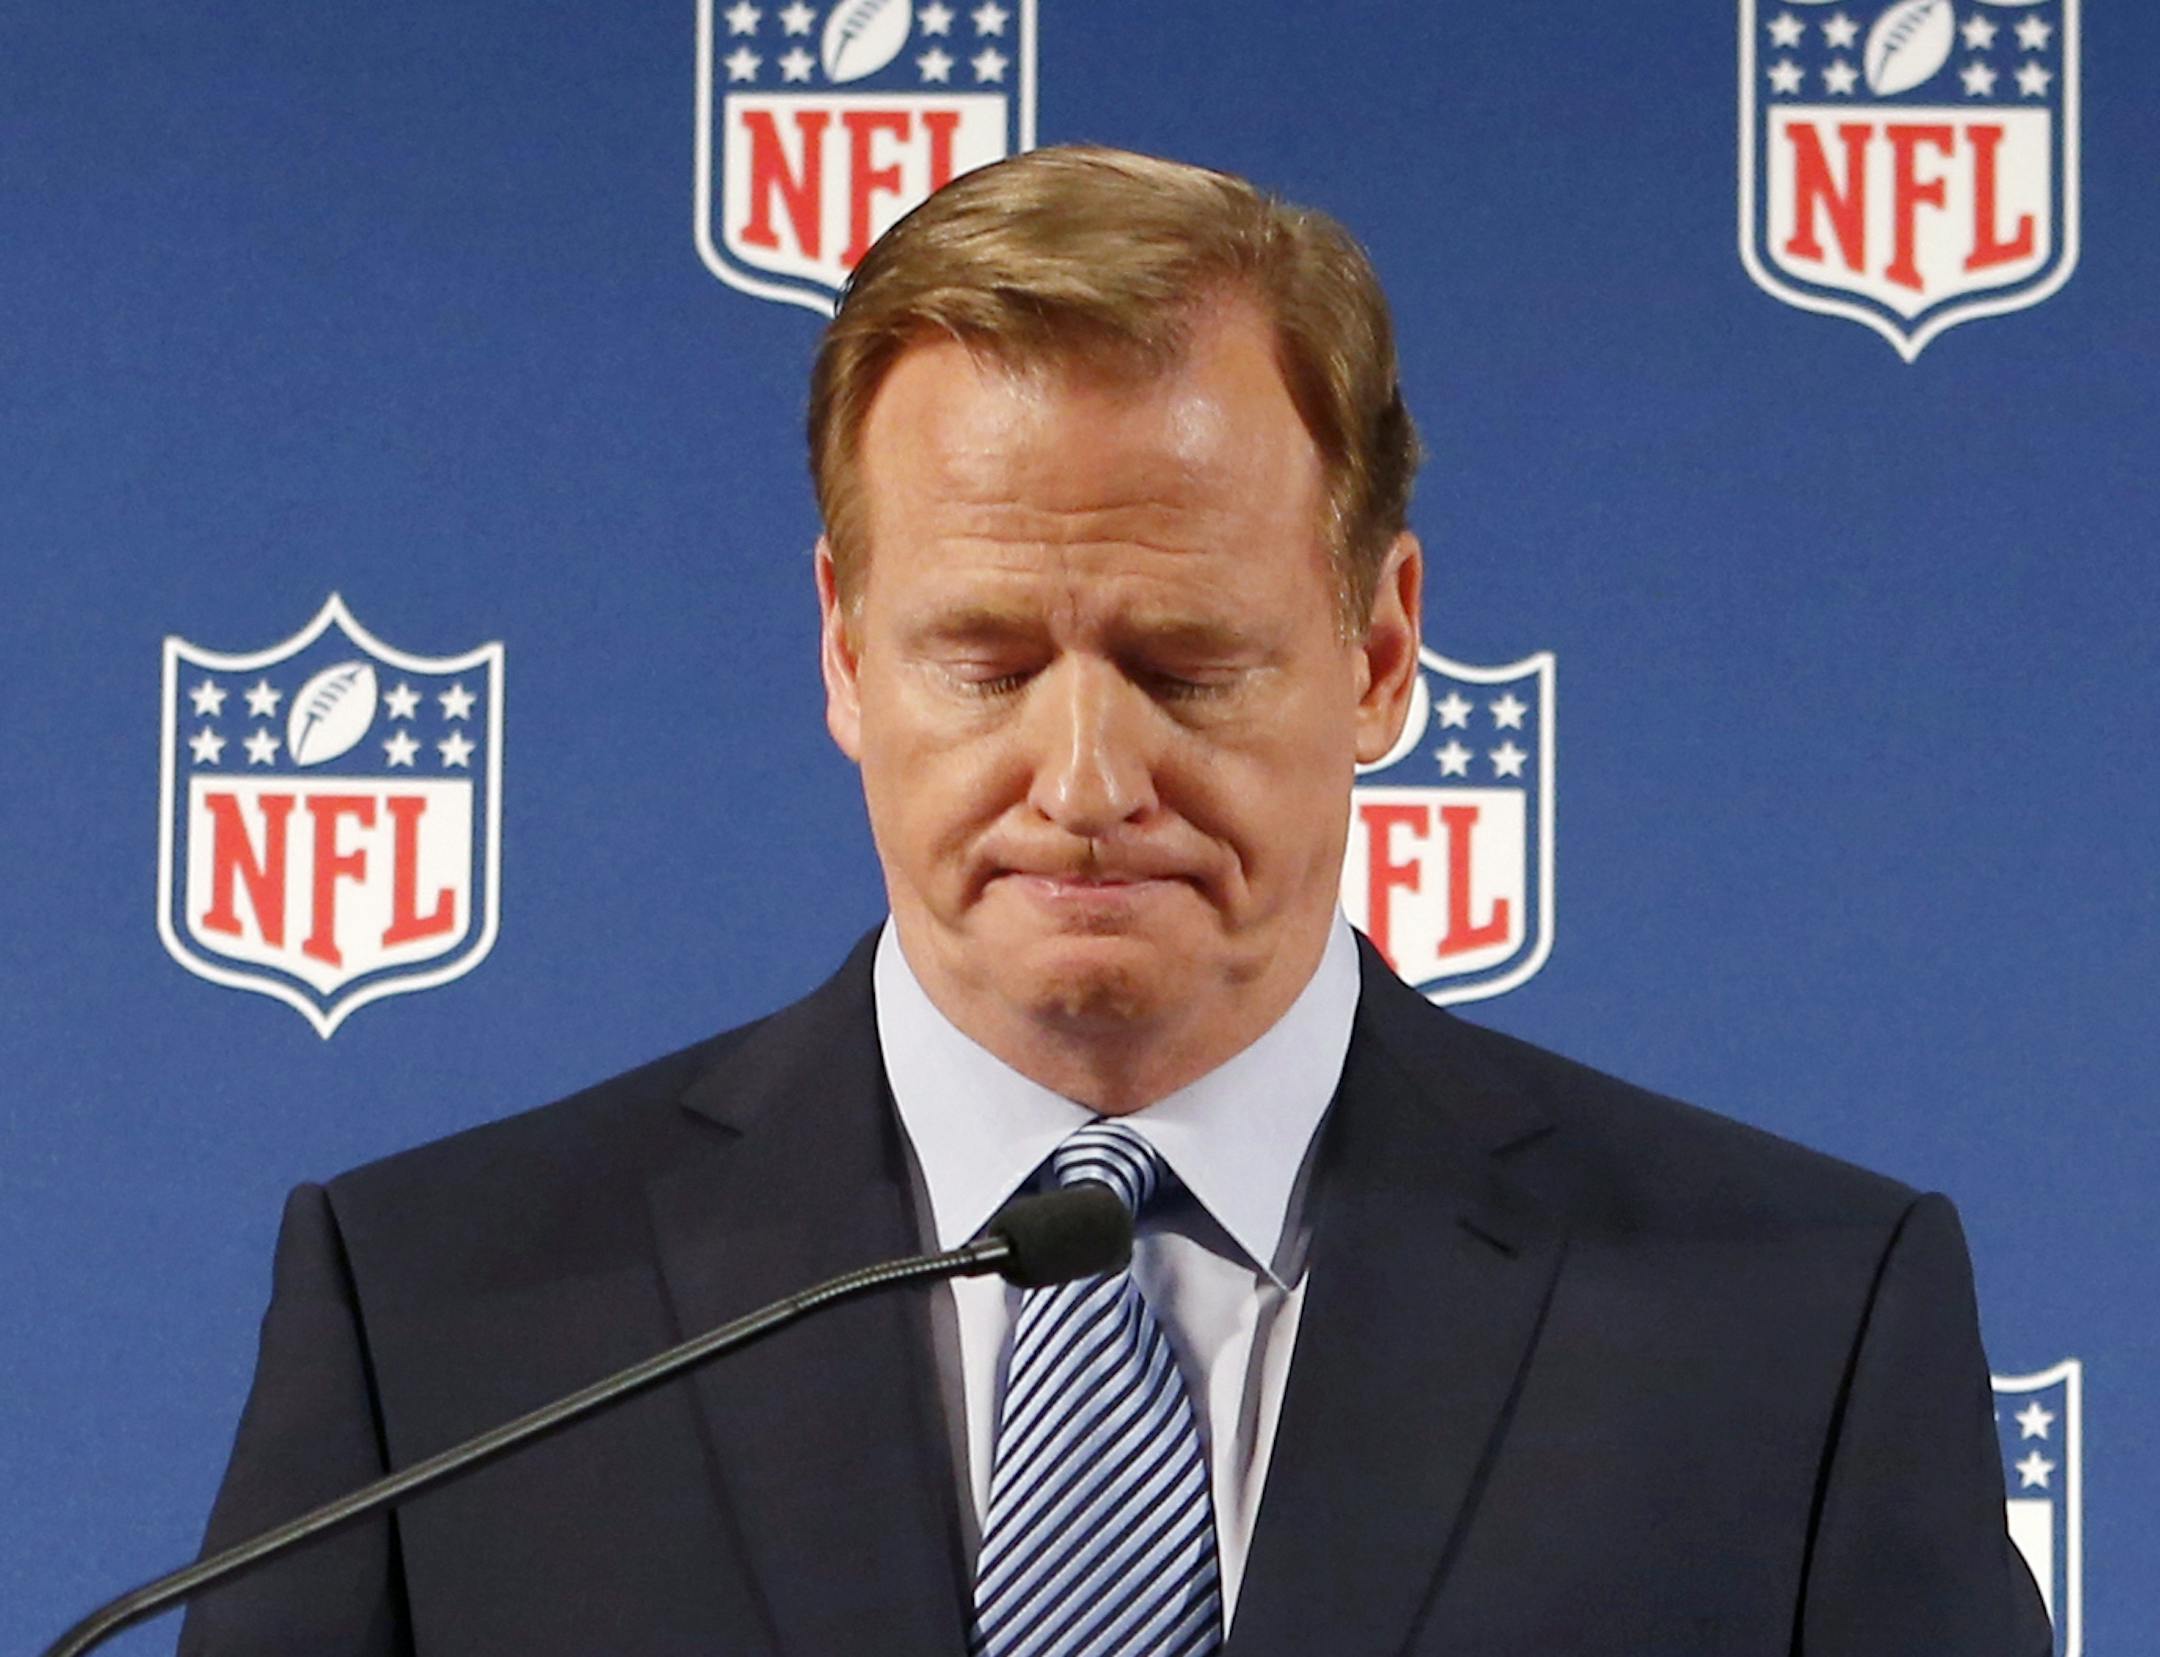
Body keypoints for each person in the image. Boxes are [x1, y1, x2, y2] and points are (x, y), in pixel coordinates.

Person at [179, 147, 2050, 1655]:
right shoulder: (443, 1326)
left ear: (1382, 645)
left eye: (1186, 661)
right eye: (984, 661)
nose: (1084, 782)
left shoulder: (1796, 1328)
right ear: (843, 651)